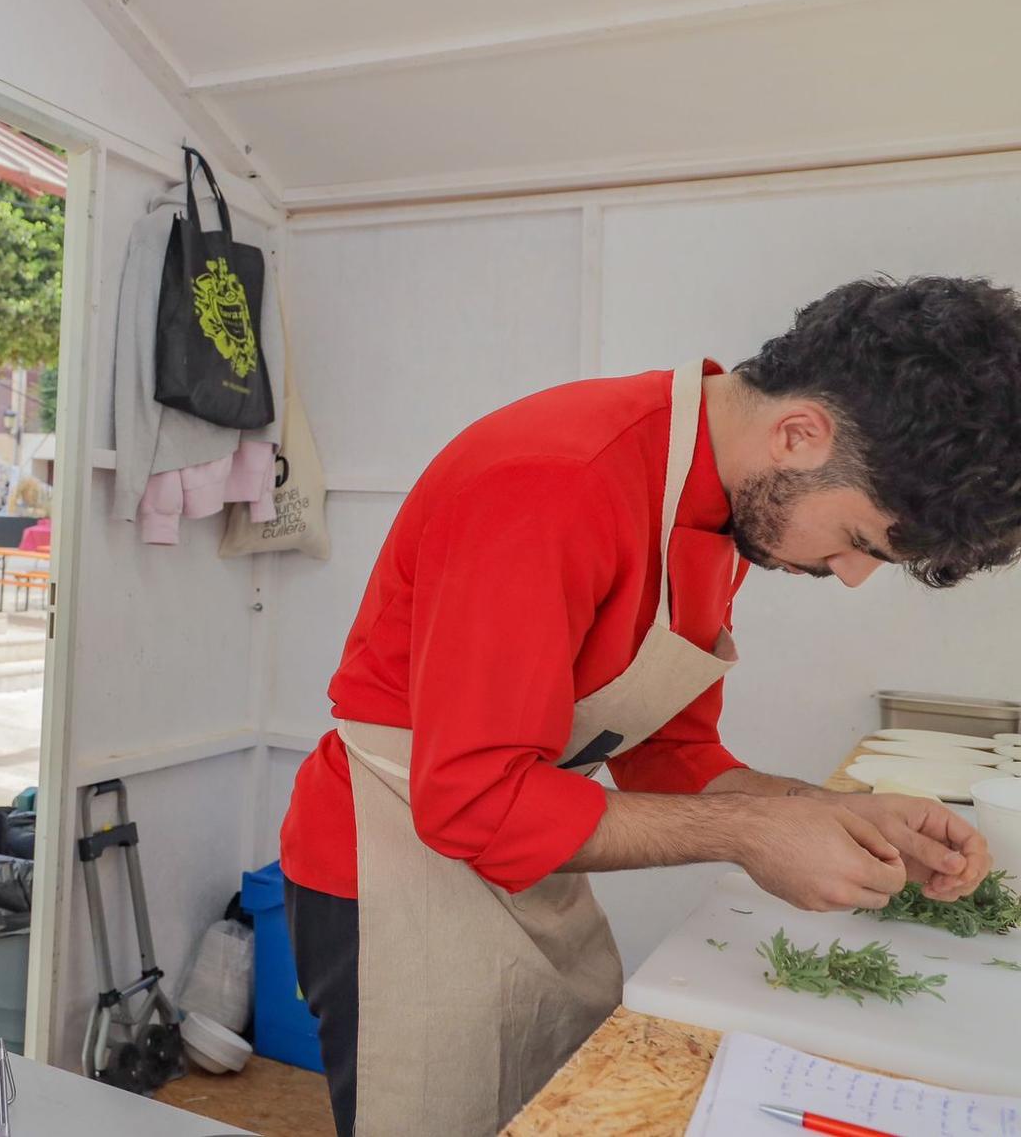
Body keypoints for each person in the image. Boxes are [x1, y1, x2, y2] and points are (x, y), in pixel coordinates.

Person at [278, 277, 1021, 1136]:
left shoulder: (722, 502)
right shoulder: (554, 481)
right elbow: (471, 799)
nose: (849, 575)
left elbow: (671, 755)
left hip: (529, 862)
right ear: (799, 433)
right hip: (393, 870)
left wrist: (833, 813)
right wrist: (750, 836)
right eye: (859, 541)